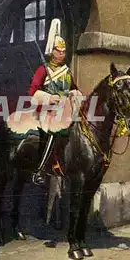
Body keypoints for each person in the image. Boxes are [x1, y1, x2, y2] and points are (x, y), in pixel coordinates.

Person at [28, 19, 82, 184]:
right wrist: (49, 98)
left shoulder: (67, 72)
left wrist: (75, 94)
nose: (61, 54)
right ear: (52, 51)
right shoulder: (43, 70)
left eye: (64, 51)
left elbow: (74, 88)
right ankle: (40, 170)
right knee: (51, 133)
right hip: (46, 111)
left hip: (64, 111)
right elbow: (32, 92)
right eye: (59, 51)